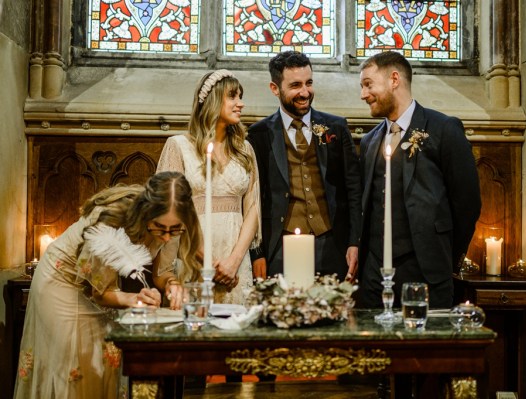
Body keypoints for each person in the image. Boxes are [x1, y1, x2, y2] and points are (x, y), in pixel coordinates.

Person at [13, 171, 201, 399]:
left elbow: (161, 273)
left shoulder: (170, 222)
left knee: (106, 362)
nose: (167, 237)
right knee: (77, 366)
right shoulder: (110, 221)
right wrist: (135, 299)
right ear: (147, 212)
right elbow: (101, 292)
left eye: (175, 230)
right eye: (160, 229)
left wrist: (172, 284)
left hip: (102, 285)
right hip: (63, 281)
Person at [358, 51, 481, 309]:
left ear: (394, 79)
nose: (363, 94)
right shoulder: (369, 141)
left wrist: (444, 256)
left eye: (368, 84)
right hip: (373, 277)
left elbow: (467, 203)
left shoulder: (444, 129)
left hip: (428, 273)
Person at [247, 51, 362, 283]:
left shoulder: (336, 128)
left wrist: (354, 242)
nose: (305, 92)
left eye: (309, 83)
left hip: (332, 243)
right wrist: (256, 253)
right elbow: (253, 198)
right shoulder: (259, 134)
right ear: (274, 88)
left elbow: (354, 190)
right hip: (280, 245)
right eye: (295, 85)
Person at [156, 69, 261, 305]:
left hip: (235, 255)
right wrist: (209, 263)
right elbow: (171, 211)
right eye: (232, 96)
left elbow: (253, 206)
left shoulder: (245, 150)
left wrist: (233, 262)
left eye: (240, 97)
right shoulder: (178, 146)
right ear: (213, 100)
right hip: (193, 254)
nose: (240, 104)